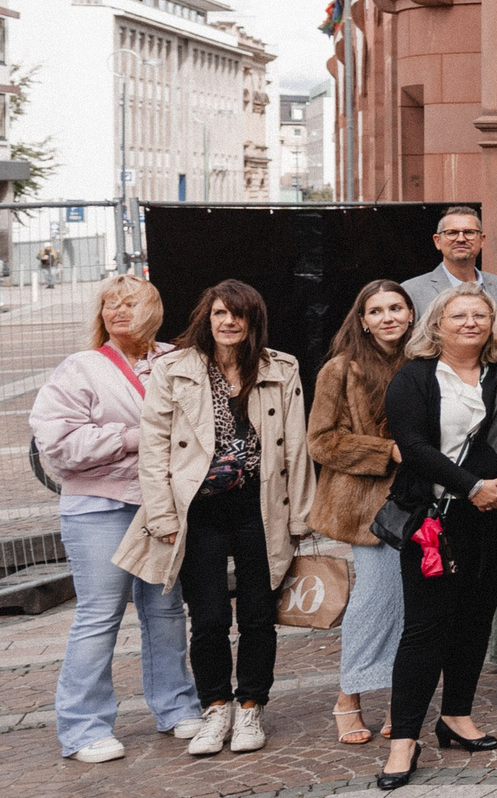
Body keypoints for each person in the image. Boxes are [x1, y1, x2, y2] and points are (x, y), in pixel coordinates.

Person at [115, 281, 314, 760]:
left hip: (259, 505)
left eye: (239, 315)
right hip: (197, 509)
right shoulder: (175, 370)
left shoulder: (280, 368)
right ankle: (215, 706)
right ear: (207, 317)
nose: (229, 322)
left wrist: (300, 519)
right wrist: (162, 513)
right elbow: (155, 447)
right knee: (207, 618)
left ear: (253, 321)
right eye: (220, 313)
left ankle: (251, 705)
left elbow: (296, 448)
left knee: (259, 615)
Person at [375, 284, 497, 788]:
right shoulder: (415, 378)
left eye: (480, 314)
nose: (470, 322)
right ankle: (404, 738)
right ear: (437, 324)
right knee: (425, 629)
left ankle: (456, 715)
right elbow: (413, 445)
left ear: (492, 324)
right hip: (436, 520)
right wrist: (471, 485)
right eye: (459, 315)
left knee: (475, 620)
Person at [30, 277, 199, 762]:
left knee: (166, 612)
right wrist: (134, 437)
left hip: (161, 506)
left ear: (154, 309)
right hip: (98, 508)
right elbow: (59, 447)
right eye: (109, 304)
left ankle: (177, 706)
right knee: (99, 616)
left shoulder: (176, 361)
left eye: (129, 303)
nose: (117, 311)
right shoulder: (80, 368)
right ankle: (84, 728)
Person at [308, 281, 414, 746]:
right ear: (363, 320)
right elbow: (321, 440)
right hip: (365, 506)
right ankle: (348, 695)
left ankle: (398, 699)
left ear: (412, 314)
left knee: (412, 604)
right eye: (377, 310)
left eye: (396, 307)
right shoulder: (339, 370)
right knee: (376, 598)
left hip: (422, 500)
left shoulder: (426, 363)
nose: (388, 316)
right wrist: (385, 450)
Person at [404, 206, 497, 318]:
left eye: (469, 232)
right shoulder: (412, 290)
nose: (461, 239)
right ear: (437, 241)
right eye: (452, 233)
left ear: (481, 240)